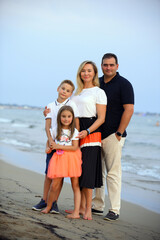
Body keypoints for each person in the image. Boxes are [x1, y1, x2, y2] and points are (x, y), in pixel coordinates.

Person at [92, 53, 134, 221]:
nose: (108, 68)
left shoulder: (124, 84)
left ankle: (114, 210)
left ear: (117, 66)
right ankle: (97, 205)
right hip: (96, 134)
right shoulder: (98, 83)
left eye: (111, 65)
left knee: (113, 173)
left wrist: (118, 133)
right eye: (105, 65)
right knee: (98, 172)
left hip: (113, 136)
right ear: (101, 66)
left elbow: (129, 109)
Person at [32, 80, 79, 213]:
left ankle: (54, 203)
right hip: (52, 143)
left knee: (59, 176)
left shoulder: (72, 105)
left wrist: (73, 142)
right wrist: (50, 141)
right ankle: (44, 200)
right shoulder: (50, 106)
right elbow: (48, 127)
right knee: (49, 174)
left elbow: (75, 125)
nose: (64, 92)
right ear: (58, 88)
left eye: (68, 90)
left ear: (70, 94)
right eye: (63, 88)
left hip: (65, 146)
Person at [69, 61, 107, 220]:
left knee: (88, 173)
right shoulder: (76, 93)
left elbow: (102, 118)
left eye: (89, 71)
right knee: (77, 173)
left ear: (94, 73)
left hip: (91, 133)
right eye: (83, 71)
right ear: (80, 73)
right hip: (76, 133)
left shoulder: (99, 92)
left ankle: (88, 210)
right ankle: (80, 207)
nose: (86, 73)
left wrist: (88, 131)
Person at [42, 106, 82, 219]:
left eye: (69, 116)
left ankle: (76, 212)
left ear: (72, 117)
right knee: (54, 185)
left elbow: (74, 147)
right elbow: (49, 140)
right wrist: (48, 147)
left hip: (72, 158)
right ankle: (49, 206)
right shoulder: (55, 130)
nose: (66, 119)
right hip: (59, 158)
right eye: (63, 116)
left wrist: (58, 146)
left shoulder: (74, 131)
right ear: (59, 117)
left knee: (75, 185)